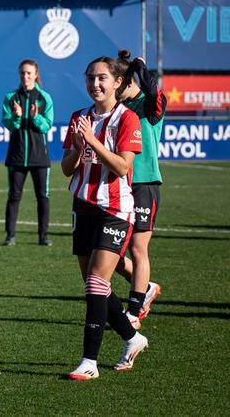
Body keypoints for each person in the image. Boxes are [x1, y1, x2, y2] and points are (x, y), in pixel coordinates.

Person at [61, 56, 148, 380]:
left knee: (97, 283)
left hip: (115, 209)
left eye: (101, 78)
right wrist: (77, 148)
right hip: (82, 205)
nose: (95, 84)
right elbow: (67, 168)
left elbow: (123, 167)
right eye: (90, 78)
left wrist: (93, 142)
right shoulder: (78, 117)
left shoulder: (127, 119)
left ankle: (89, 362)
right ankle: (132, 337)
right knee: (94, 284)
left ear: (117, 82)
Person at [114, 51, 165, 328]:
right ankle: (145, 288)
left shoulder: (150, 105)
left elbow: (152, 88)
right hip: (119, 184)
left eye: (118, 84)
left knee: (137, 248)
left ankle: (133, 311)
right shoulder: (118, 109)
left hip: (145, 184)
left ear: (129, 82)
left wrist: (139, 66)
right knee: (109, 252)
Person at [2, 59, 54, 246]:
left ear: (35, 75)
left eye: (29, 73)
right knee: (14, 196)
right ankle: (10, 236)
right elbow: (8, 124)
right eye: (22, 73)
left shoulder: (44, 98)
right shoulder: (11, 97)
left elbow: (47, 126)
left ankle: (43, 236)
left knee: (42, 196)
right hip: (16, 156)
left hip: (40, 157)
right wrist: (16, 117)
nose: (25, 76)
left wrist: (35, 117)